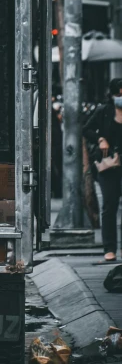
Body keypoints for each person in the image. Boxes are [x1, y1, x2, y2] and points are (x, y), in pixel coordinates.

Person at [83, 77, 122, 262]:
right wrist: (100, 139)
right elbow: (87, 129)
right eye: (119, 94)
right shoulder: (104, 111)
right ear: (113, 94)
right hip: (108, 165)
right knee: (109, 205)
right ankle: (110, 249)